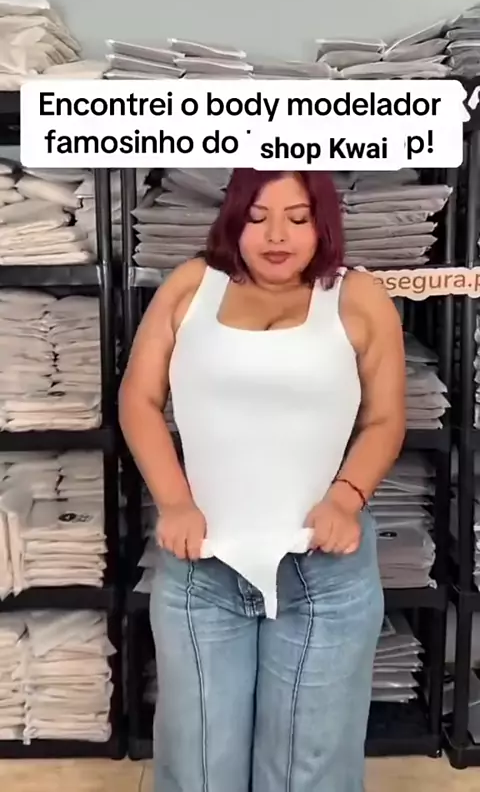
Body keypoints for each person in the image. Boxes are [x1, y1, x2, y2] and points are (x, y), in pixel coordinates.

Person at [119, 168, 406, 792]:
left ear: (322, 223)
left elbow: (386, 419)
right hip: (202, 570)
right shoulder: (193, 285)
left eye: (297, 218)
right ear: (234, 220)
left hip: (323, 574)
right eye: (258, 217)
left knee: (309, 773)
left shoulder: (357, 296)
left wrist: (346, 497)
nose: (277, 235)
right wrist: (174, 501)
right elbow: (138, 399)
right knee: (199, 771)